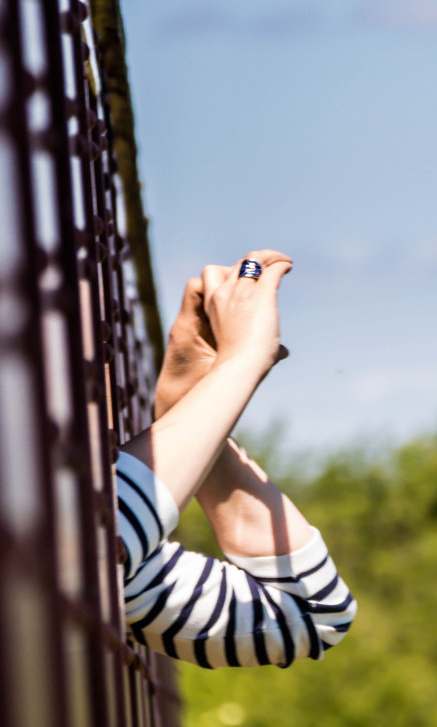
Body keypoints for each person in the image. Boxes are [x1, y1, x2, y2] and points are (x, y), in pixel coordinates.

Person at [112, 250, 356, 668]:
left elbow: (307, 614)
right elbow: (94, 545)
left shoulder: (112, 571)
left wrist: (188, 405)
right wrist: (243, 361)